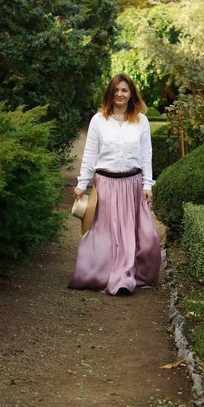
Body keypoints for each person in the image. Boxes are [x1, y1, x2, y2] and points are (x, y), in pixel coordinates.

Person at [68, 73, 161, 295]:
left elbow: (146, 155)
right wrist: (82, 183)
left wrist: (147, 184)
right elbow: (90, 154)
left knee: (143, 235)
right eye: (116, 90)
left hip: (133, 185)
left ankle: (131, 273)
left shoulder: (142, 121)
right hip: (106, 185)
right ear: (111, 93)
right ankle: (113, 277)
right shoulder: (98, 120)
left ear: (131, 94)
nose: (120, 94)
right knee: (107, 234)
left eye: (124, 90)